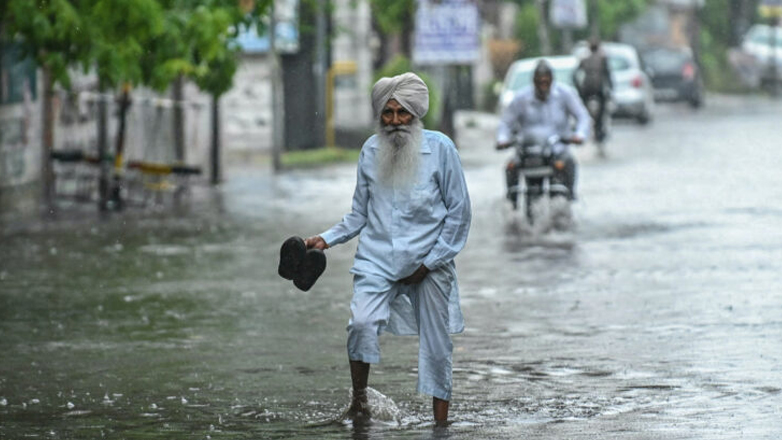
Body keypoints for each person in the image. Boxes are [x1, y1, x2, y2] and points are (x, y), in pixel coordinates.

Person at [304, 72, 472, 427]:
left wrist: (428, 264)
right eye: (388, 113)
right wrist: (326, 238)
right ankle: (360, 403)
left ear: (416, 114)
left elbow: (459, 215)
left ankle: (441, 427)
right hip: (377, 259)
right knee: (361, 324)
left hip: (430, 261)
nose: (395, 121)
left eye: (403, 113)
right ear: (379, 115)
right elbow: (359, 214)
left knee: (438, 347)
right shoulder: (369, 151)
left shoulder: (441, 149)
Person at [496, 59, 591, 201]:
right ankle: (511, 203)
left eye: (546, 82)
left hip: (557, 151)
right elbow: (505, 122)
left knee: (569, 163)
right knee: (511, 167)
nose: (542, 86)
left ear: (551, 80)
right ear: (533, 81)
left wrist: (579, 135)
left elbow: (583, 117)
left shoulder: (565, 94)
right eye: (539, 82)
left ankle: (569, 197)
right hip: (528, 153)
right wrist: (502, 139)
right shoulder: (521, 98)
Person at [574, 37, 613, 143]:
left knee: (583, 110)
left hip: (586, 89)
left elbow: (575, 74)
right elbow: (608, 75)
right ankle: (599, 129)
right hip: (598, 89)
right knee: (603, 110)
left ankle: (586, 127)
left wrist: (578, 87)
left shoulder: (584, 60)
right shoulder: (602, 59)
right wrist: (610, 89)